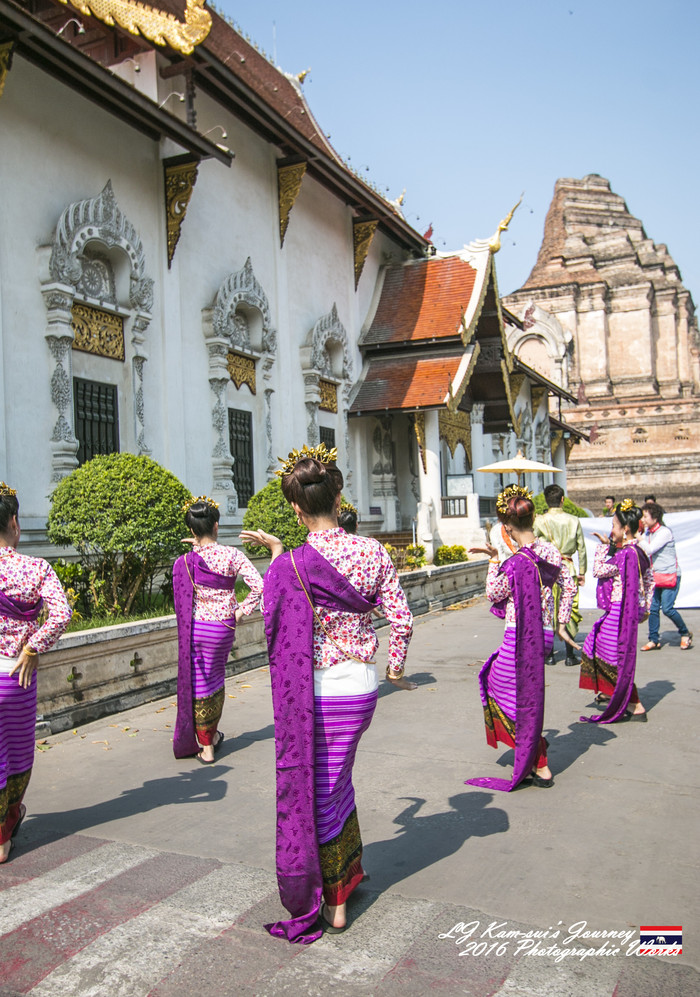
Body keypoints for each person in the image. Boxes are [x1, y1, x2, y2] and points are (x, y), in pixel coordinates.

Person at [240, 443, 414, 941]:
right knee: (338, 781)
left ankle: (333, 900)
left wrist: (278, 560)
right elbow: (401, 618)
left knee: (319, 790)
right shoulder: (372, 551)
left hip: (314, 692)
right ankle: (348, 872)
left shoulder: (290, 565)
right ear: (339, 497)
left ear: (296, 509)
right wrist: (395, 668)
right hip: (360, 686)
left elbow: (268, 613)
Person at [466, 486, 577, 792]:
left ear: (508, 528)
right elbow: (569, 585)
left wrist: (493, 561)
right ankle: (533, 754)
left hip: (518, 636)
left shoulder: (516, 562)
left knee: (498, 686)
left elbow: (493, 593)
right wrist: (562, 623)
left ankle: (538, 758)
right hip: (544, 634)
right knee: (525, 695)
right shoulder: (550, 552)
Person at [0, 483, 72, 862]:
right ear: (15, 522)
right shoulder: (35, 568)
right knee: (16, 754)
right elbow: (61, 614)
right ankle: (3, 833)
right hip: (16, 676)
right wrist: (32, 646)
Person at [172, 496, 263, 763]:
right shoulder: (232, 555)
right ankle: (209, 738)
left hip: (196, 628)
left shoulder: (186, 561)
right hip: (222, 628)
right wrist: (241, 611)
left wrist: (196, 548)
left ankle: (206, 745)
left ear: (192, 530)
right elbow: (259, 585)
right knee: (215, 681)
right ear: (216, 526)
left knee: (198, 682)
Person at [580, 500, 655, 724]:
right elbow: (650, 580)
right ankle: (614, 694)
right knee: (603, 650)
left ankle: (634, 704)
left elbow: (599, 570)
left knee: (611, 656)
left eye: (614, 525)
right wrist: (645, 607)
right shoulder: (638, 551)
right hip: (625, 611)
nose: (611, 530)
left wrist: (604, 547)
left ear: (626, 529)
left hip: (619, 612)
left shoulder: (626, 555)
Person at [534, 483, 587, 666]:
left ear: (546, 501)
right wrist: (582, 572)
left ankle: (549, 654)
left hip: (547, 570)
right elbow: (581, 548)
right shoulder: (574, 520)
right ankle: (570, 655)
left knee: (548, 608)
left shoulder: (540, 521)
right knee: (569, 609)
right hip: (568, 567)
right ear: (562, 500)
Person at [638, 501, 691, 651]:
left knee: (667, 608)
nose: (643, 520)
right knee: (653, 609)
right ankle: (653, 639)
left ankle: (685, 633)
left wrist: (638, 538)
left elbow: (650, 549)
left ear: (655, 518)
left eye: (645, 516)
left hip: (669, 575)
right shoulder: (647, 533)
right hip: (655, 577)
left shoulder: (664, 532)